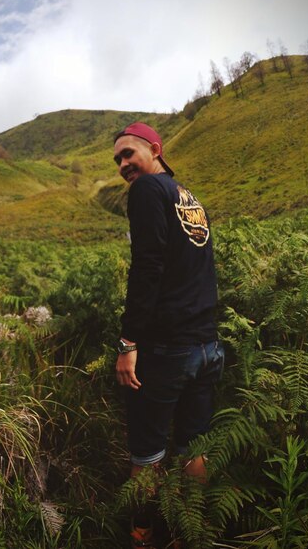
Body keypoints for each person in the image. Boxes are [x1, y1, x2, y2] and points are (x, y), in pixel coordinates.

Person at [113, 122, 224, 548]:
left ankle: (143, 537)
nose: (123, 165)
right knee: (193, 449)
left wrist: (128, 342)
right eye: (118, 160)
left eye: (129, 154)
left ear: (155, 149)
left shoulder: (146, 192)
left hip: (167, 350)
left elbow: (147, 268)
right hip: (207, 346)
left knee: (146, 456)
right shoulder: (188, 197)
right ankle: (187, 534)